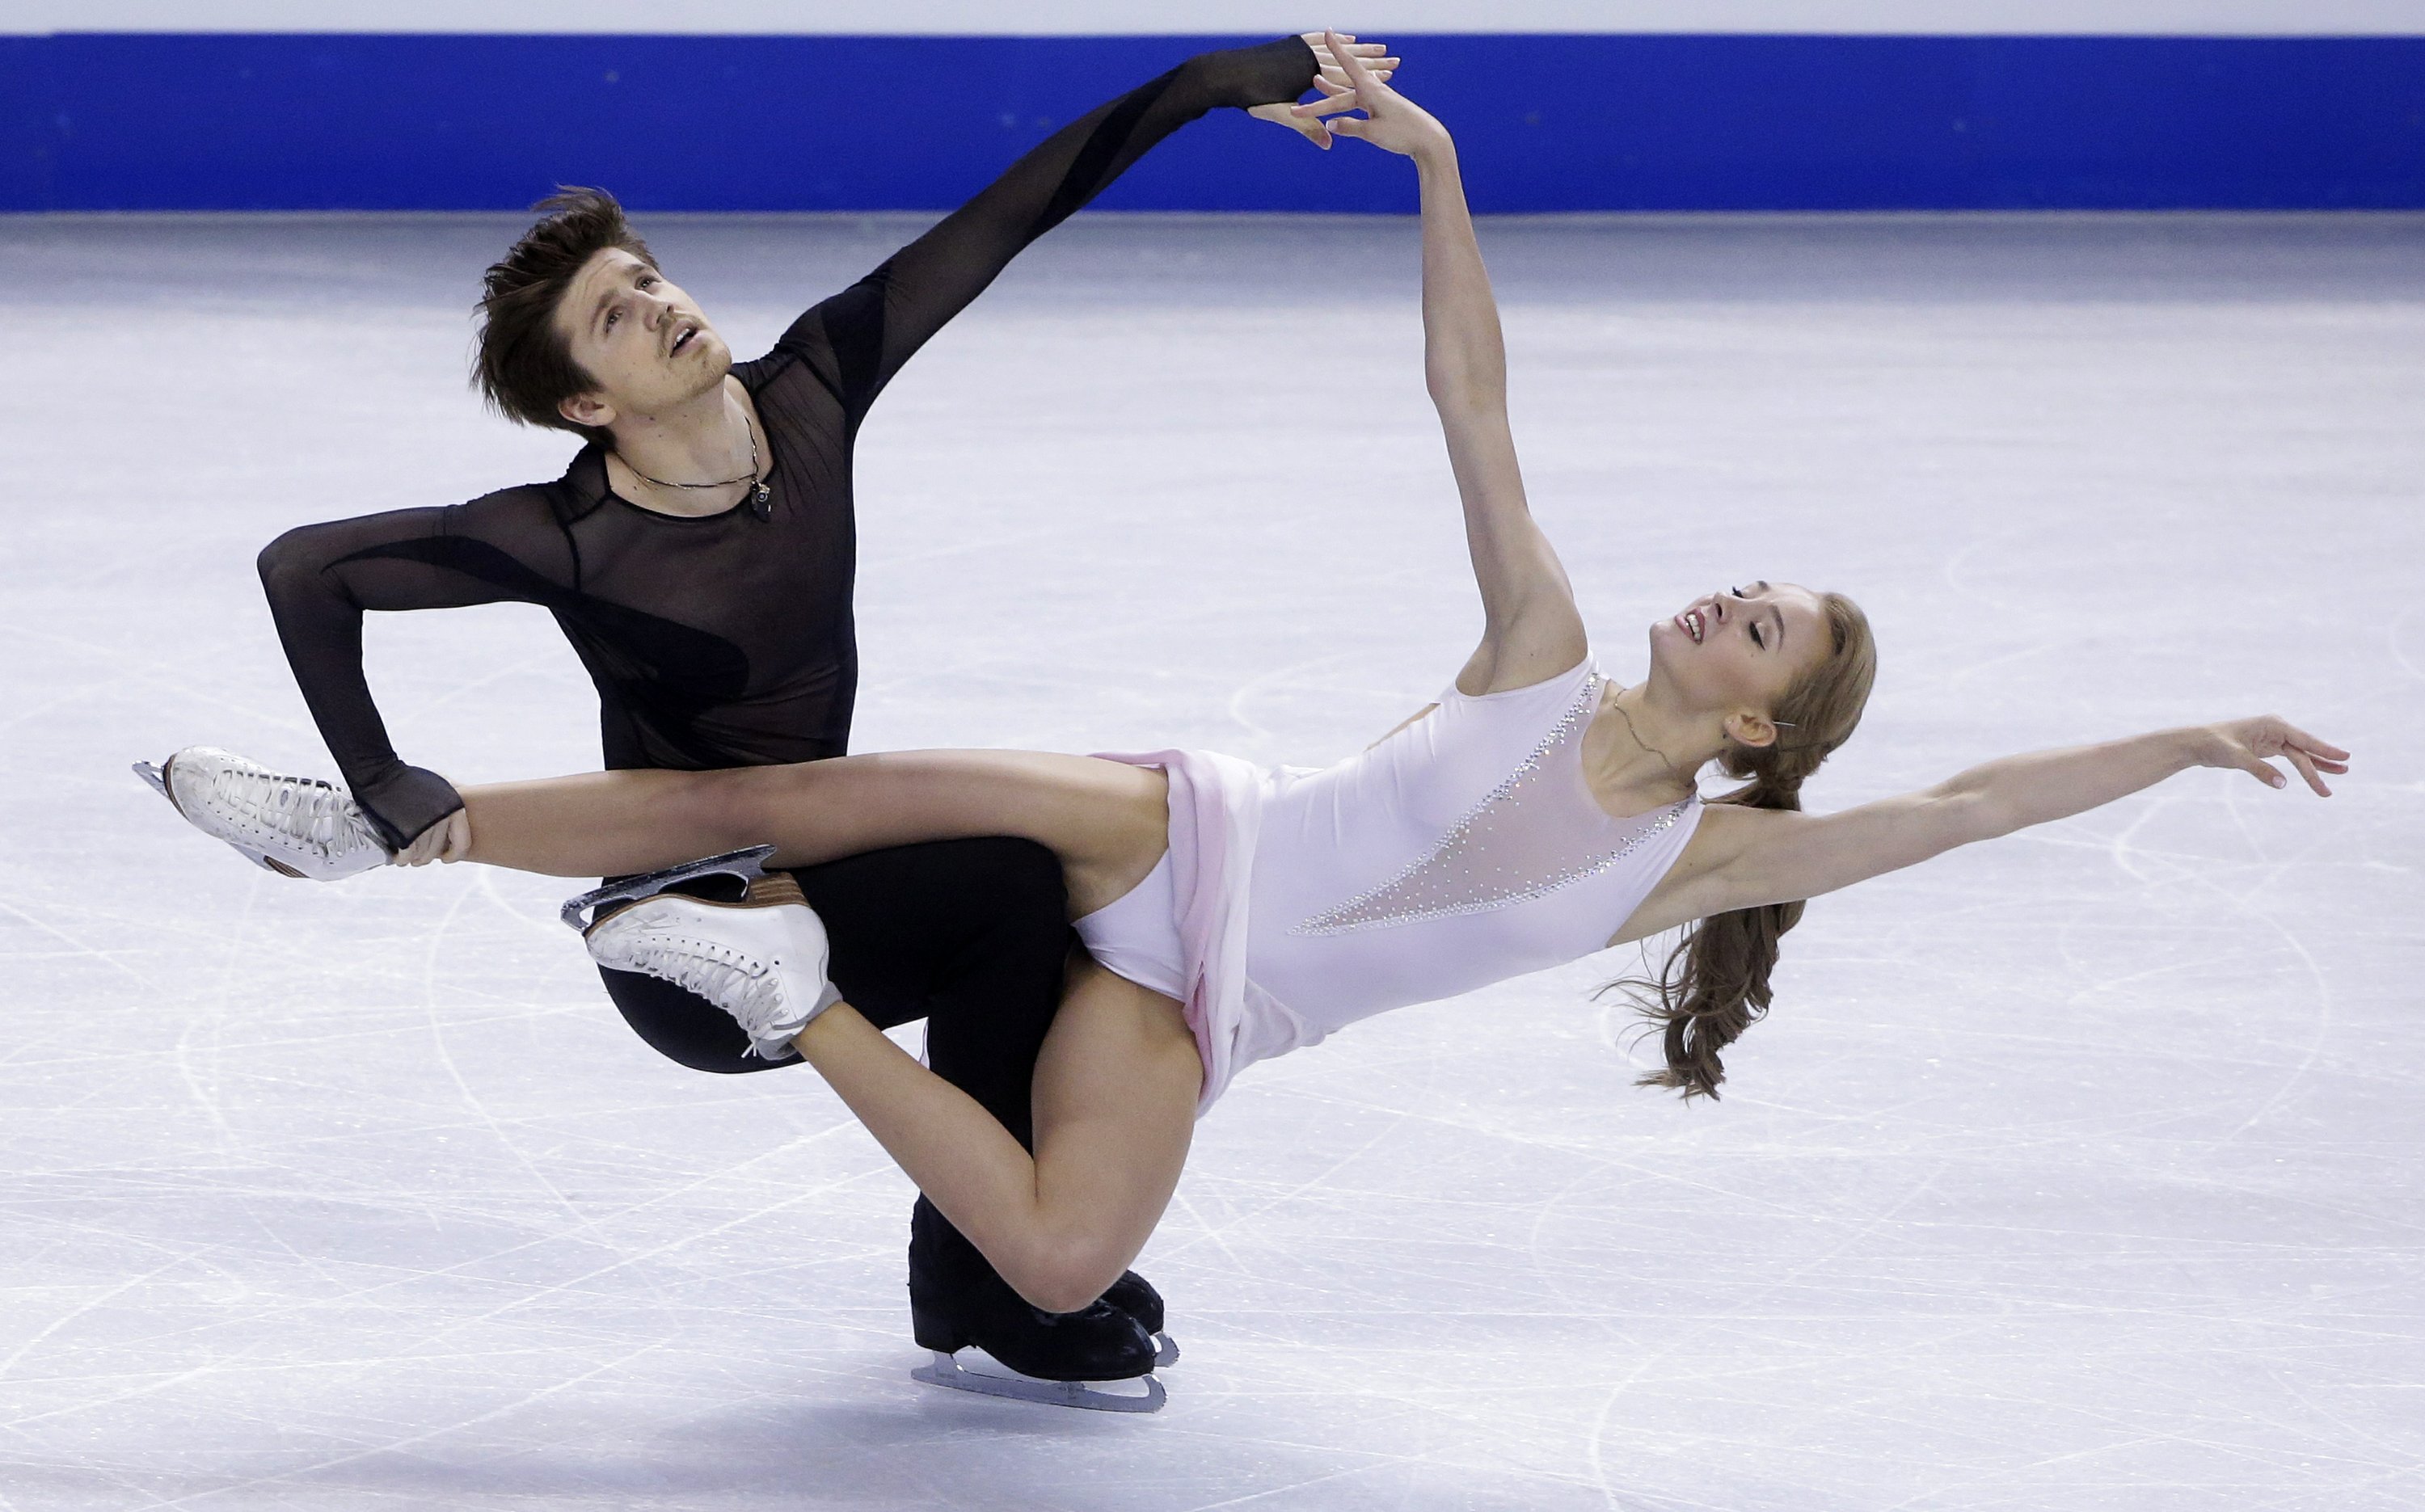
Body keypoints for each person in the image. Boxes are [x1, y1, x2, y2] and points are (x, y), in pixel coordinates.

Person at [150, 44, 2349, 1407]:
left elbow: (1957, 812)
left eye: (1761, 622)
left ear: (1764, 733)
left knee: (1064, 1249)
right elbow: (1471, 403)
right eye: (1746, 581)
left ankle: (785, 996)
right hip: (1168, 830)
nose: (1725, 596)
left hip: (1210, 998)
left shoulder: (1703, 859)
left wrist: (2172, 745)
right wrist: (1437, 173)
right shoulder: (1547, 644)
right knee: (778, 788)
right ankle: (395, 842)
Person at [153, 31, 1404, 1406]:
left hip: (832, 870)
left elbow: (1016, 207)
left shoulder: (808, 391)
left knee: (1041, 883)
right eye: (617, 321)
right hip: (698, 941)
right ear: (587, 403)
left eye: (649, 282)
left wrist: (1216, 81)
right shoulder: (572, 537)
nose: (662, 310)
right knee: (1008, 885)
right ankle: (999, 1282)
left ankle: (982, 1264)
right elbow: (306, 568)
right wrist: (378, 769)